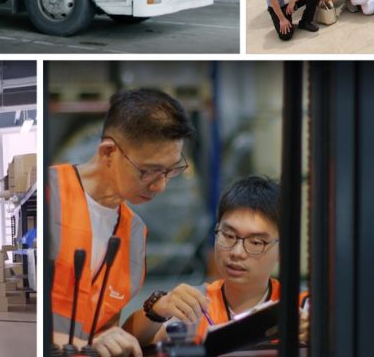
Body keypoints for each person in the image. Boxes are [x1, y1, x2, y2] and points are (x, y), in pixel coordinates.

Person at [52, 89, 194, 356]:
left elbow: (110, 332)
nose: (161, 186)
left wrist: (157, 308)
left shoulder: (134, 233)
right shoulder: (49, 196)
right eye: (148, 171)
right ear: (108, 152)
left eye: (171, 170)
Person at [134, 176, 309, 347]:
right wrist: (157, 309)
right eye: (228, 235)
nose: (237, 252)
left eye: (256, 242)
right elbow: (129, 341)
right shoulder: (193, 303)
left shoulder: (302, 307)